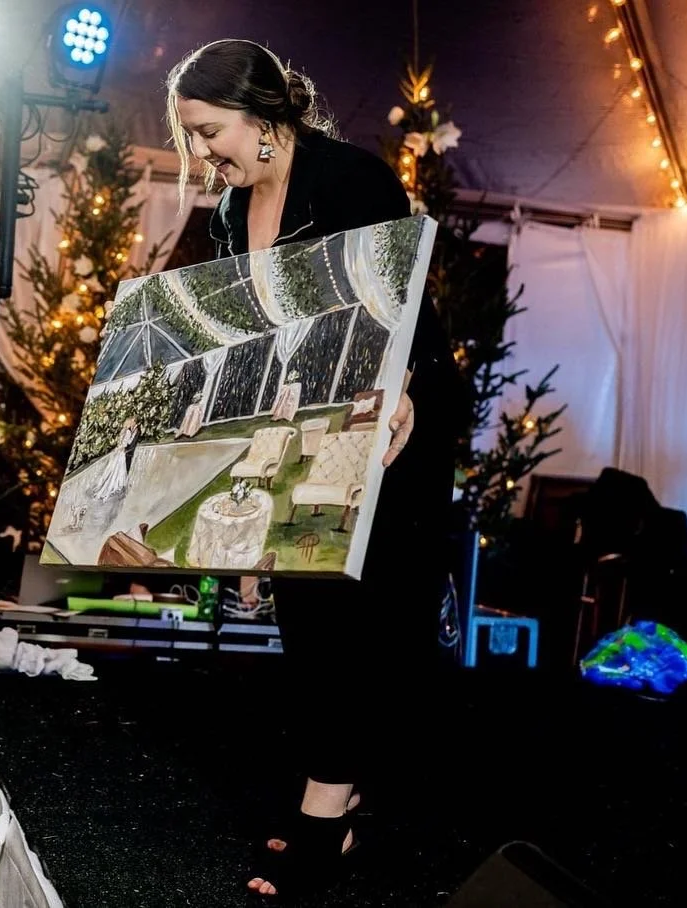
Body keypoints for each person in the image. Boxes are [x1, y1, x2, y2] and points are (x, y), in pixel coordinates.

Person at [166, 39, 462, 897]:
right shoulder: (228, 215)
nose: (200, 152)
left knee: (356, 617)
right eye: (190, 135)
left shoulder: (354, 180)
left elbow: (397, 306)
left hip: (394, 415)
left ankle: (323, 820)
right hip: (303, 414)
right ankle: (339, 801)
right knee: (307, 612)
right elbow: (255, 347)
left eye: (208, 130)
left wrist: (394, 394)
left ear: (262, 119)